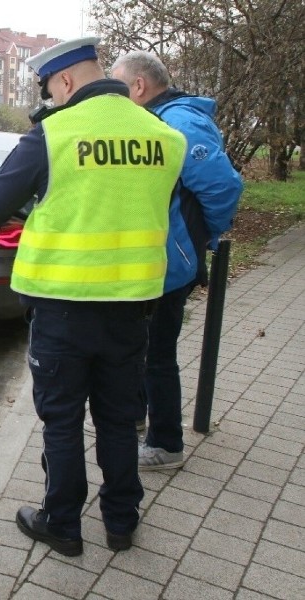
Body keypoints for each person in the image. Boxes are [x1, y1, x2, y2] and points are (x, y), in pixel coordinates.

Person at [0, 37, 187, 555]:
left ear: (64, 81)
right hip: (132, 306)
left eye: (49, 87)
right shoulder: (165, 136)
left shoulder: (52, 134)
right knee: (118, 417)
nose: (48, 97)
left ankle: (63, 524)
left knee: (63, 419)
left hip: (62, 306)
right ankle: (121, 522)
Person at [110, 51, 243, 470]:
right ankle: (138, 419)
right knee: (142, 344)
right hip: (159, 256)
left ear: (138, 87)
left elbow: (223, 187)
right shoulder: (161, 118)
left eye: (119, 88)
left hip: (172, 259)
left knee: (156, 352)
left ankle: (166, 444)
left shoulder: (179, 122)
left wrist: (205, 235)